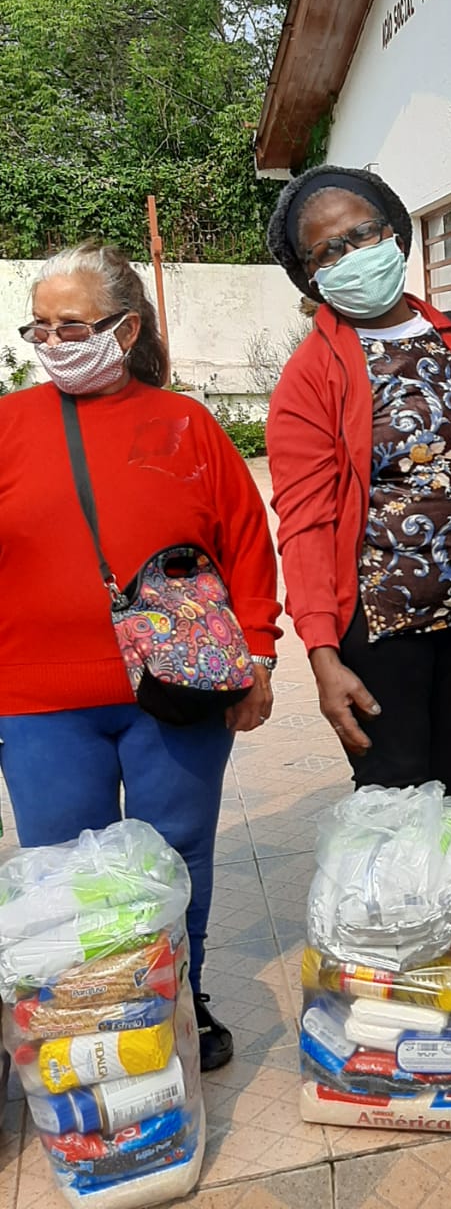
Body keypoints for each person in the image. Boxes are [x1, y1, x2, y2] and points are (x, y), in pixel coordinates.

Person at [0, 242, 281, 1072]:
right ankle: (96, 1008)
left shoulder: (186, 422)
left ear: (125, 329)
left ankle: (177, 997)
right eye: (39, 327)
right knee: (61, 867)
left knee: (178, 848)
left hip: (177, 684)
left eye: (72, 326)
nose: (54, 343)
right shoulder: (8, 423)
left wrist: (259, 653)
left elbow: (245, 542)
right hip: (39, 701)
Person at [266, 165, 451, 798]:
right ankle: (406, 904)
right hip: (381, 625)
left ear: (394, 235)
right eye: (327, 249)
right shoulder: (311, 375)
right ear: (311, 274)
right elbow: (304, 523)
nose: (351, 253)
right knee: (395, 796)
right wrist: (321, 653)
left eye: (362, 233)